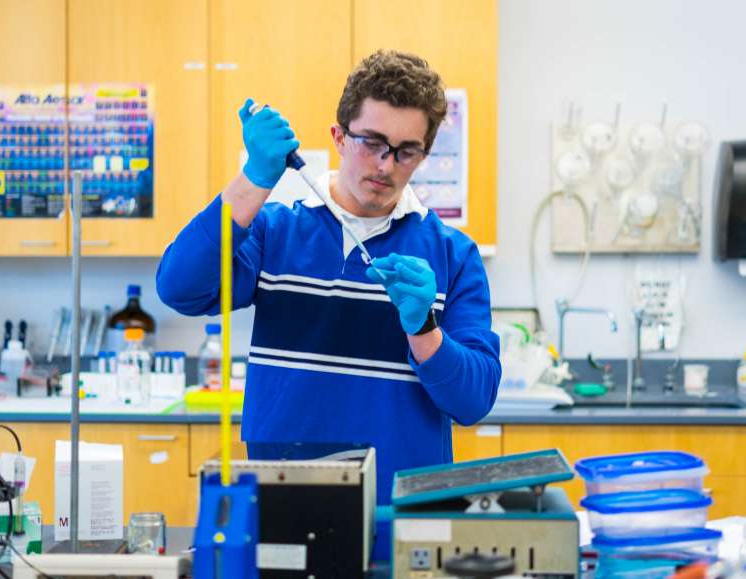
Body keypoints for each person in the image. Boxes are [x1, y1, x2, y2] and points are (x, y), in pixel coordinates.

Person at [156, 50, 500, 503]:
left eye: (405, 151)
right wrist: (254, 179)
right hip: (284, 507)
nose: (385, 164)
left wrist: (424, 331)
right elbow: (180, 288)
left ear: (423, 155)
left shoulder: (452, 255)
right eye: (371, 142)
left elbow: (473, 402)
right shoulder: (274, 232)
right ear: (338, 136)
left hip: (401, 520)